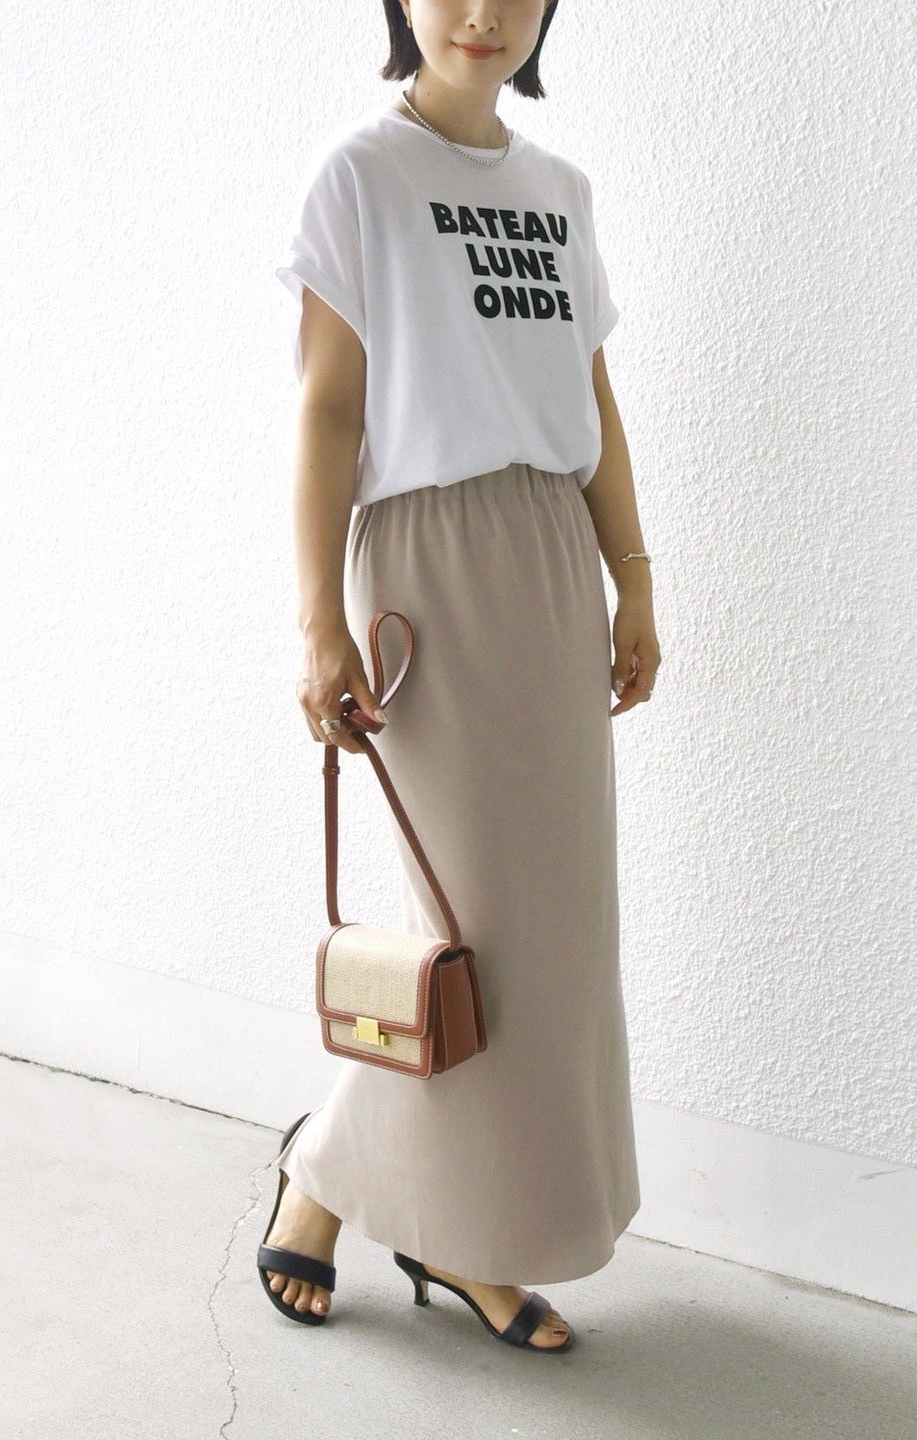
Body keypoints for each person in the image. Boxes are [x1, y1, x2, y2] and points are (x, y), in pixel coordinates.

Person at [257, 0, 661, 1354]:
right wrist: (318, 621)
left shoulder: (560, 191)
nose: (482, 13)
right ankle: (336, 1181)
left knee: (551, 944)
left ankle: (435, 1221)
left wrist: (633, 577)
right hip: (429, 567)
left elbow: (592, 404)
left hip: (550, 559)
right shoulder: (361, 175)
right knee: (476, 936)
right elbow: (328, 408)